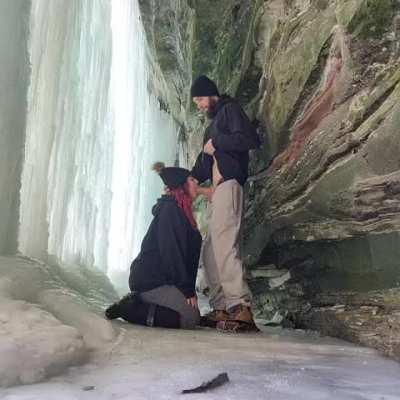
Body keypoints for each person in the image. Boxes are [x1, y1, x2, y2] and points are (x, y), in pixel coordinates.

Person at [190, 75, 261, 333]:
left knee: (225, 245)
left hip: (230, 185)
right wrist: (187, 179)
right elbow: (203, 163)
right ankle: (220, 307)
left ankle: (241, 307)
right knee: (210, 251)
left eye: (199, 99)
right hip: (217, 191)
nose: (198, 104)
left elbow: (250, 139)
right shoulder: (212, 127)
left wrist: (217, 143)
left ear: (211, 94)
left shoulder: (230, 110)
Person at [105, 162, 202, 330]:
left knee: (191, 315)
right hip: (150, 280)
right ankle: (129, 308)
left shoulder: (181, 212)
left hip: (165, 280)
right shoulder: (170, 210)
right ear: (182, 186)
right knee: (190, 318)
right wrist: (187, 291)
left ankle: (143, 303)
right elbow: (171, 253)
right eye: (192, 180)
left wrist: (188, 291)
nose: (197, 183)